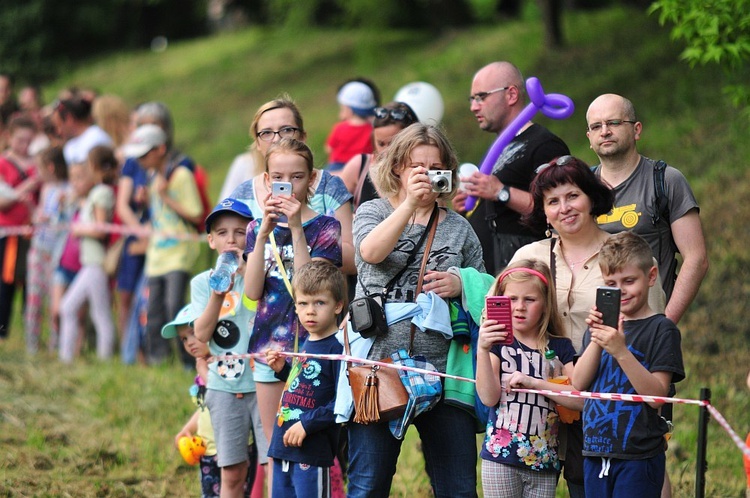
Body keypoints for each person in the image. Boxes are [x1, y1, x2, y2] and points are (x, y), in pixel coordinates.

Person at [510, 155, 666, 497]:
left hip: (611, 407)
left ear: (592, 197)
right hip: (539, 405)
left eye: (572, 195)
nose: (564, 207)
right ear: (544, 211)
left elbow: (652, 334)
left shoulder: (626, 256)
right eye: (553, 201)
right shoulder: (529, 257)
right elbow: (502, 319)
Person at [346, 123, 484, 498]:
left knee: (458, 488)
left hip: (444, 372)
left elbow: (488, 294)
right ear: (397, 169)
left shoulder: (459, 228)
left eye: (435, 166)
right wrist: (410, 203)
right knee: (368, 485)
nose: (426, 174)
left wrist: (461, 284)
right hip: (377, 369)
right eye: (416, 166)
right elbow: (370, 253)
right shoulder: (372, 211)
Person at [243, 138, 342, 491]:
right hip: (272, 347)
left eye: (297, 177)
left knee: (313, 441)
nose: (289, 185)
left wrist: (296, 226)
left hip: (317, 346)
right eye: (279, 177)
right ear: (268, 181)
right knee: (276, 445)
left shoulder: (327, 227)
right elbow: (252, 292)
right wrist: (261, 237)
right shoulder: (257, 229)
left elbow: (311, 285)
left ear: (311, 180)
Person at [573, 231, 685, 498]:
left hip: (638, 455)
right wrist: (598, 340)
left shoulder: (662, 329)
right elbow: (578, 383)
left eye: (629, 281)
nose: (620, 290)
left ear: (651, 276)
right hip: (595, 451)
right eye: (611, 283)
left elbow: (657, 397)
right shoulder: (599, 329)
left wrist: (621, 350)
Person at [586, 94, 708, 325]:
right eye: (596, 126)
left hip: (649, 324)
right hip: (593, 329)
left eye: (614, 123)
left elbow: (697, 259)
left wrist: (664, 325)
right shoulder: (581, 189)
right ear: (589, 137)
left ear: (637, 130)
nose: (605, 131)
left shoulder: (666, 181)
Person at [454, 61, 570, 276]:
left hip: (523, 275)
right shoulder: (500, 146)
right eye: (472, 99)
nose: (473, 107)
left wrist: (501, 192)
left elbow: (559, 210)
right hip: (489, 272)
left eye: (481, 97)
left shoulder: (544, 145)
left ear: (511, 95)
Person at [476, 260, 581, 498]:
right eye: (512, 299)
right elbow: (488, 397)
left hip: (544, 462)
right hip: (500, 458)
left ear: (545, 304)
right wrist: (482, 350)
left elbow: (581, 400)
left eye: (530, 300)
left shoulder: (560, 347)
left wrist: (536, 384)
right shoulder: (497, 344)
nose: (519, 307)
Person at [186, 198, 265, 498]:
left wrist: (246, 272)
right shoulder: (202, 283)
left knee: (271, 466)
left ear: (252, 236)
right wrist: (219, 293)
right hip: (223, 387)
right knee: (232, 472)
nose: (231, 239)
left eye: (239, 232)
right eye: (221, 233)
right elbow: (202, 335)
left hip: (263, 384)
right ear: (210, 240)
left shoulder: (260, 276)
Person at [229, 96, 355, 276]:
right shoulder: (242, 195)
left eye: (287, 130)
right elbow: (230, 251)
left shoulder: (329, 186)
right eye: (266, 133)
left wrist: (306, 237)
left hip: (320, 297)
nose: (276, 138)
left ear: (303, 136)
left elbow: (353, 258)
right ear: (257, 143)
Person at [122, 124, 202, 365]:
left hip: (179, 252)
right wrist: (146, 202)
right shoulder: (152, 176)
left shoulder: (181, 175)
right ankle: (159, 361)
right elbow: (159, 215)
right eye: (138, 155)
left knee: (174, 307)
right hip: (157, 253)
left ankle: (189, 361)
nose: (140, 159)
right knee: (154, 310)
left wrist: (166, 196)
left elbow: (196, 214)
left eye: (144, 154)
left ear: (160, 149)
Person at [265, 260, 345, 497]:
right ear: (296, 307)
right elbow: (303, 385)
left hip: (311, 451)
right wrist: (283, 370)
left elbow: (342, 403)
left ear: (338, 306)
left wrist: (307, 425)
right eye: (303, 303)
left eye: (320, 302)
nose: (310, 310)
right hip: (282, 447)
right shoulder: (305, 343)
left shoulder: (338, 350)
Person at [165, 304, 258, 498]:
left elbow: (225, 394)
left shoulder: (226, 363)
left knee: (236, 487)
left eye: (193, 333)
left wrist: (205, 373)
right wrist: (188, 428)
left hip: (233, 445)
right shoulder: (202, 365)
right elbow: (206, 406)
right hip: (207, 449)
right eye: (184, 338)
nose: (190, 342)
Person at [58, 146, 117, 362]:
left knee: (78, 309)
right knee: (94, 312)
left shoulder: (102, 193)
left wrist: (79, 229)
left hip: (95, 263)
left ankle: (97, 358)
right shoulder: (97, 192)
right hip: (90, 263)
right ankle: (91, 357)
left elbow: (101, 228)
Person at [24, 145, 68, 353]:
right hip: (38, 249)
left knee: (54, 301)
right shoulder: (46, 190)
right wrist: (35, 215)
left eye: (39, 169)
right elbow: (39, 214)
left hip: (56, 253)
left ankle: (55, 344)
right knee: (34, 299)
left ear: (50, 168)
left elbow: (63, 221)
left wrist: (56, 211)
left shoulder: (67, 191)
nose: (37, 174)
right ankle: (32, 343)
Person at [336, 102, 420, 210]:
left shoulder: (421, 172)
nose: (386, 152)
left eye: (393, 144)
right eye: (381, 144)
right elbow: (333, 208)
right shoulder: (360, 166)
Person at [0, 116, 40, 341]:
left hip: (32, 232)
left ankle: (31, 335)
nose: (24, 145)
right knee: (5, 284)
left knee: (30, 285)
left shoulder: (37, 163)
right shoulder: (3, 163)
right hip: (8, 233)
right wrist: (25, 188)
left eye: (29, 140)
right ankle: (2, 332)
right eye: (20, 140)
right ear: (9, 137)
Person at [324, 81, 376, 172]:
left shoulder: (340, 128)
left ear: (349, 110)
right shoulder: (372, 130)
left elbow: (328, 148)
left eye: (342, 108)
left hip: (337, 168)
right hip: (362, 169)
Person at [52, 95, 113, 166]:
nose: (58, 132)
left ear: (69, 119)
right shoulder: (69, 147)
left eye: (59, 125)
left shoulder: (96, 136)